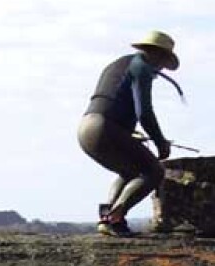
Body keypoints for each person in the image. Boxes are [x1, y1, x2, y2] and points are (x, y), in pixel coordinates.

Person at [78, 30, 183, 237]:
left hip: (87, 127)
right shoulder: (142, 67)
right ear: (158, 55)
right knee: (153, 172)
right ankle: (116, 216)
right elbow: (144, 111)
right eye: (162, 63)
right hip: (105, 128)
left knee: (130, 173)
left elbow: (111, 100)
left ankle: (107, 220)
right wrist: (160, 142)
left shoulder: (118, 64)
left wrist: (127, 131)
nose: (160, 69)